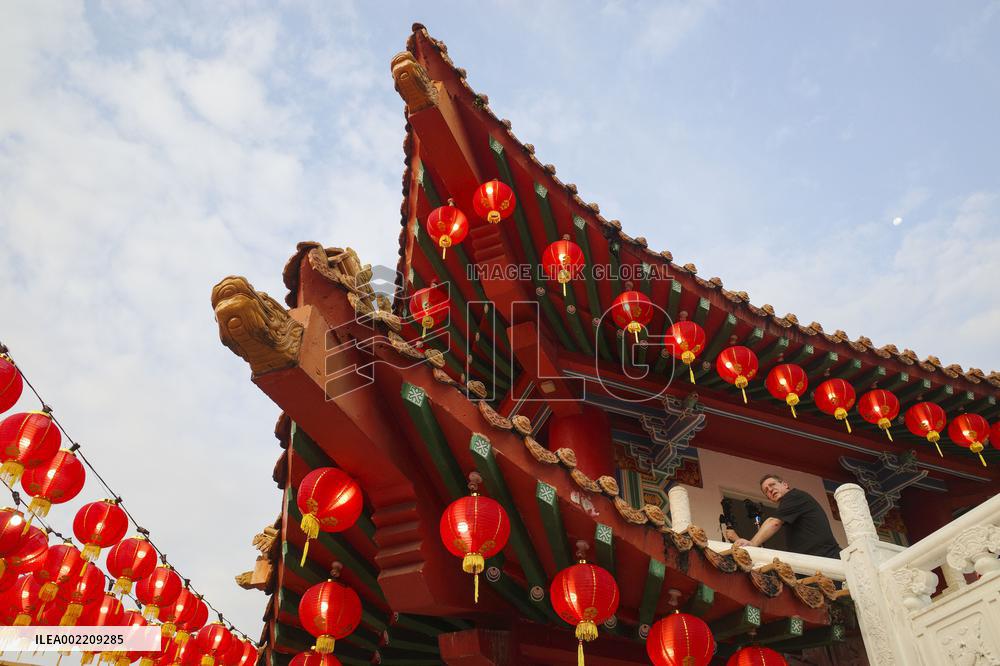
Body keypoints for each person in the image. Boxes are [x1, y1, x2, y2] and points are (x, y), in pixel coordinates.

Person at [726, 473, 841, 558]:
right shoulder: (789, 507)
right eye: (766, 491)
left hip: (827, 557)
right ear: (769, 498)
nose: (770, 490)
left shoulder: (793, 496)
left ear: (785, 485)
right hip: (817, 559)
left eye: (772, 485)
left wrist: (752, 543)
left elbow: (774, 522)